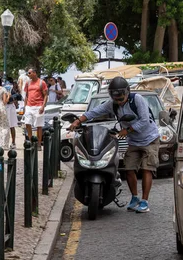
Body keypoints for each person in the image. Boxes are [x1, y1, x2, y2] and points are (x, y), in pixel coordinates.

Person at [68, 77, 159, 213]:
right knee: (129, 169)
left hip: (149, 138)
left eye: (121, 98)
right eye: (116, 98)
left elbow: (145, 121)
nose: (119, 101)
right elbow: (95, 111)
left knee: (147, 169)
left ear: (127, 92)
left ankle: (144, 201)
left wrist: (127, 130)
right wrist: (78, 121)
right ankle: (135, 198)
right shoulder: (113, 104)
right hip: (133, 141)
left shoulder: (137, 99)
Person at [23, 68, 48, 148]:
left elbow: (46, 95)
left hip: (38, 106)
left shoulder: (42, 83)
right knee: (27, 123)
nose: (28, 74)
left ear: (34, 73)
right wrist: (25, 106)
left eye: (29, 73)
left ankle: (39, 144)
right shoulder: (28, 83)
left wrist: (43, 106)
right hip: (29, 106)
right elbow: (26, 95)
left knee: (39, 126)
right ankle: (30, 141)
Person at [4, 77, 20, 149]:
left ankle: (13, 142)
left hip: (10, 107)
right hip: (7, 107)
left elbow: (15, 99)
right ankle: (6, 142)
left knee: (11, 126)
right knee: (7, 126)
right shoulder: (5, 89)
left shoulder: (13, 90)